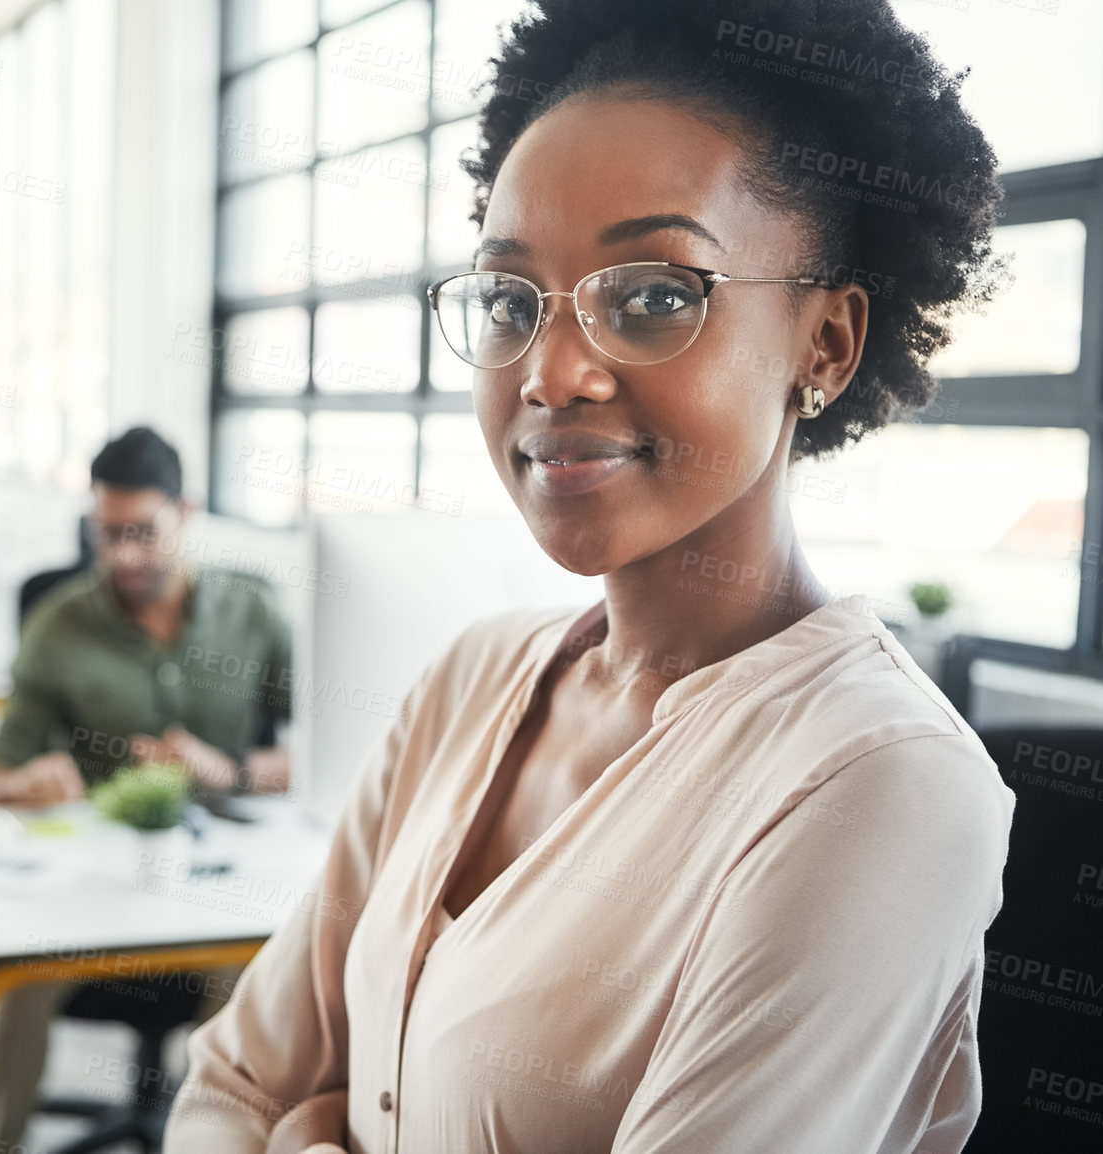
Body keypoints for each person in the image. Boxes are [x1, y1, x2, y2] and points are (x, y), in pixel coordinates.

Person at [164, 3, 1015, 1152]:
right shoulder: (468, 679)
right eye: (511, 301)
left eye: (655, 294)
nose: (552, 369)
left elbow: (271, 1112)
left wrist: (308, 1134)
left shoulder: (877, 784)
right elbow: (225, 1087)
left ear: (826, 343)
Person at [0, 425, 296, 1148]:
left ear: (189, 512)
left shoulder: (254, 612)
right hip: (90, 892)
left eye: (142, 532)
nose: (123, 555)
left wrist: (228, 772)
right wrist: (25, 781)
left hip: (220, 883)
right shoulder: (58, 623)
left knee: (267, 972)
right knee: (8, 975)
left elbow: (336, 758)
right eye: (105, 534)